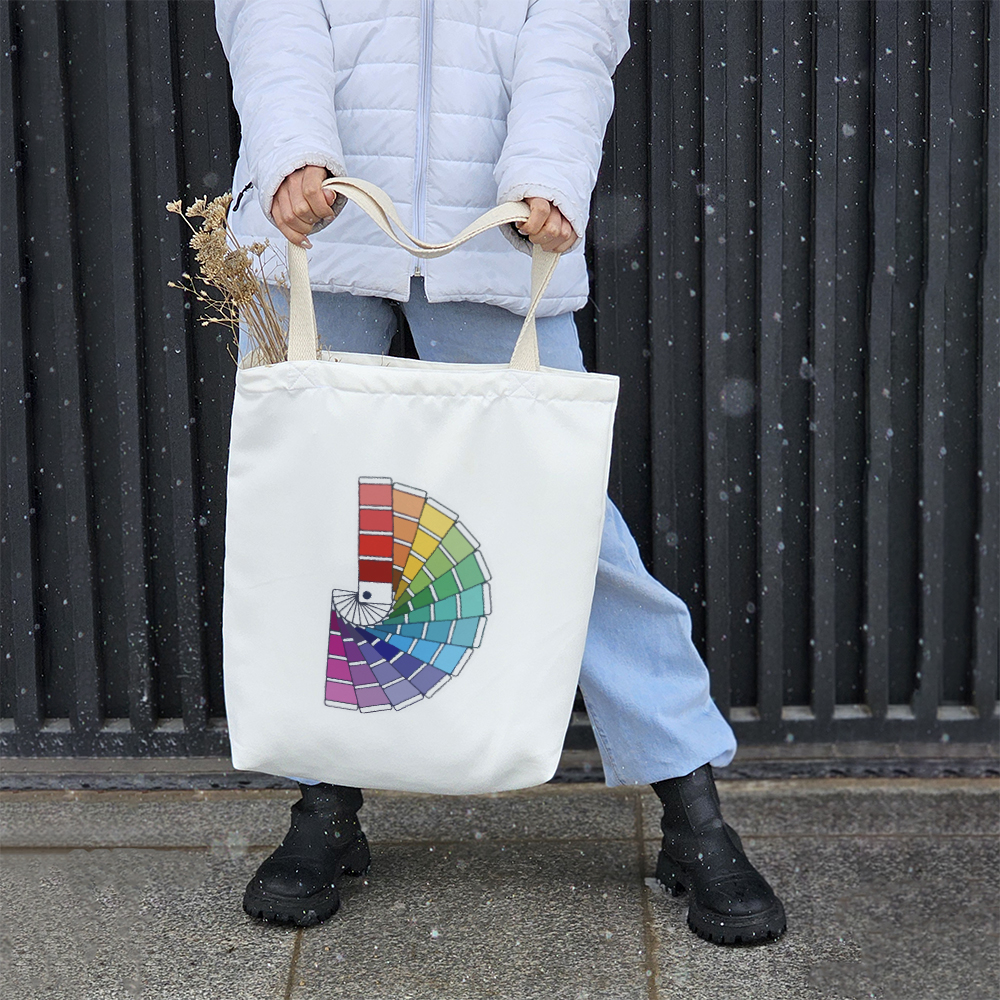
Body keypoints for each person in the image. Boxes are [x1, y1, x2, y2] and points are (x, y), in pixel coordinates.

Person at [215, 0, 786, 946]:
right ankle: (323, 802)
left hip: (496, 232)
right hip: (315, 228)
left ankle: (693, 812)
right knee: (319, 529)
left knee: (569, 529)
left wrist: (548, 174)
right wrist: (291, 153)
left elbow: (573, 27)